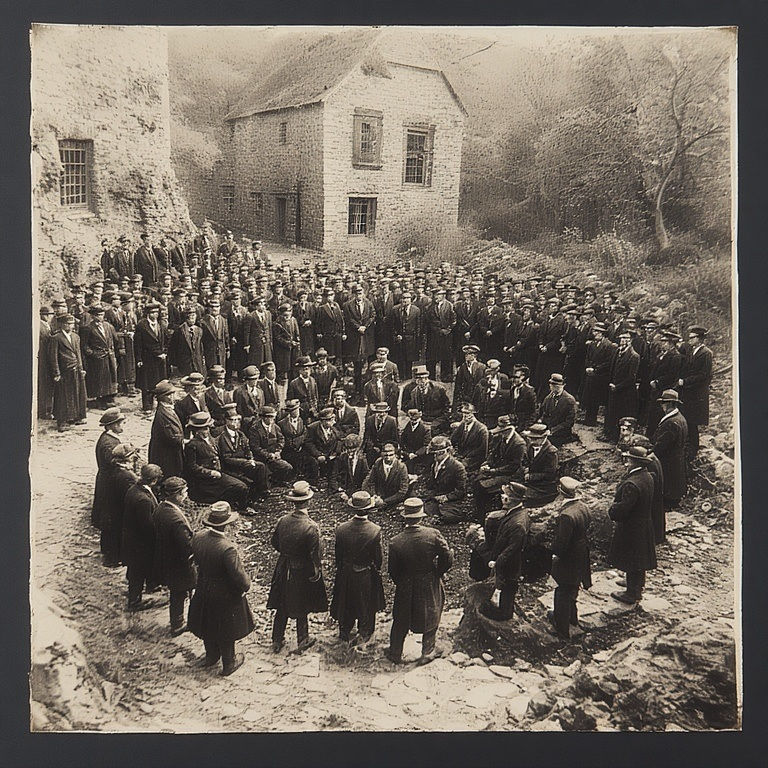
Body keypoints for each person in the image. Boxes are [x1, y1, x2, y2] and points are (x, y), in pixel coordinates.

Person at [188, 501, 255, 676]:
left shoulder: (198, 537)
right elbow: (238, 576)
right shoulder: (227, 548)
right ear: (226, 524)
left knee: (207, 621)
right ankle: (229, 663)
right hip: (224, 593)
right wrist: (247, 584)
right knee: (226, 627)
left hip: (203, 586)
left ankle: (211, 656)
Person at [385, 497, 454, 665]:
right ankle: (427, 651)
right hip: (429, 580)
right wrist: (439, 571)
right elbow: (447, 556)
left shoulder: (396, 542)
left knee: (401, 617)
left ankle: (395, 652)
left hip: (406, 584)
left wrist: (402, 581)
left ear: (405, 517)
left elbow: (392, 570)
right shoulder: (433, 535)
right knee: (432, 613)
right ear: (421, 517)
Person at [267, 481, 328, 653]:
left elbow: (275, 543)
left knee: (281, 604)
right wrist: (316, 571)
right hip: (301, 570)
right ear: (308, 502)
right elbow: (315, 554)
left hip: (283, 566)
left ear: (293, 501)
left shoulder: (282, 521)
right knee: (301, 604)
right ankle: (302, 639)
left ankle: (277, 640)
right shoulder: (311, 527)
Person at [330, 491, 386, 645]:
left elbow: (338, 555)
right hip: (365, 573)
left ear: (353, 509)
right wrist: (376, 569)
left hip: (345, 572)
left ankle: (344, 631)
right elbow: (378, 558)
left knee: (345, 601)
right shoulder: (375, 530)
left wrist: (342, 567)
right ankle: (364, 633)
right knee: (366, 604)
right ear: (369, 510)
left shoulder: (341, 529)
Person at [608, 446, 657, 605]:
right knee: (639, 559)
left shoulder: (632, 484)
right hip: (644, 524)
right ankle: (635, 584)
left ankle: (631, 593)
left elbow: (623, 509)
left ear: (636, 463)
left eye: (628, 460)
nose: (626, 463)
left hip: (632, 527)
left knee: (631, 558)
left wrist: (612, 510)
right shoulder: (647, 476)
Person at [548, 476, 592, 639]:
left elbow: (561, 544)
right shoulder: (582, 507)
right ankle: (572, 619)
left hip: (568, 557)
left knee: (562, 592)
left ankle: (561, 629)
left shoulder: (566, 515)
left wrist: (554, 555)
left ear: (561, 492)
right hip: (581, 553)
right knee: (573, 587)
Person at [153, 476, 196, 636]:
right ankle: (178, 624)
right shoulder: (176, 519)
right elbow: (186, 546)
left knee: (177, 592)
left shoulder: (162, 508)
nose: (186, 495)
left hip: (168, 557)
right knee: (181, 592)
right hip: (180, 563)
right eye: (184, 492)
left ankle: (177, 621)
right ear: (176, 494)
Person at [479, 485, 531, 621]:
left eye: (505, 496)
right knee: (508, 585)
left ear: (510, 500)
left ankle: (504, 614)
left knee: (508, 585)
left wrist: (496, 562)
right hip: (510, 559)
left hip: (510, 562)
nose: (502, 498)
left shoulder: (517, 523)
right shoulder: (517, 512)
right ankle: (505, 608)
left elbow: (512, 549)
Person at [183, 411, 250, 510]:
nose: (207, 431)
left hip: (219, 472)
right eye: (204, 429)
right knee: (240, 487)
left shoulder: (210, 438)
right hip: (206, 480)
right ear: (196, 430)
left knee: (245, 482)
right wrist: (210, 472)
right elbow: (192, 467)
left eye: (208, 428)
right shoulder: (192, 445)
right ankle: (240, 508)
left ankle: (236, 504)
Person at [122, 463, 162, 611]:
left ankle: (143, 588)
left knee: (135, 569)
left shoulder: (134, 489)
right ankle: (134, 602)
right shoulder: (143, 499)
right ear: (153, 480)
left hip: (131, 538)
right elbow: (147, 525)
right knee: (138, 570)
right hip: (139, 543)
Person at [473, 415, 526, 520]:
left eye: (502, 431)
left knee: (481, 487)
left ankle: (483, 516)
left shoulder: (518, 444)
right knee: (476, 480)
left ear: (509, 430)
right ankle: (482, 511)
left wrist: (493, 471)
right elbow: (494, 454)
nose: (500, 433)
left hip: (511, 476)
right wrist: (487, 464)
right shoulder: (502, 438)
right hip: (499, 471)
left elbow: (514, 467)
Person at [217, 404, 269, 505]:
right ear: (226, 421)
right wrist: (245, 462)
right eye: (232, 420)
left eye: (237, 420)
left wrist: (251, 459)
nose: (235, 423)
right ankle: (246, 502)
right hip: (230, 468)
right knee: (247, 481)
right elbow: (226, 458)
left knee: (260, 467)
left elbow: (247, 449)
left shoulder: (240, 434)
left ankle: (262, 493)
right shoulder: (222, 436)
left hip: (244, 464)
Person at [102, 442, 140, 568]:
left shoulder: (115, 470)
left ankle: (111, 557)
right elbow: (130, 495)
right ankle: (114, 559)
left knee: (112, 532)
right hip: (119, 510)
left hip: (111, 507)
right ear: (127, 459)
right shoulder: (126, 475)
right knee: (117, 533)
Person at [48, 313, 88, 431]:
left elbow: (78, 354)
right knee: (63, 396)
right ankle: (62, 421)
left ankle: (76, 416)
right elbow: (53, 357)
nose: (70, 326)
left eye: (71, 323)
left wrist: (81, 368)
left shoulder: (75, 337)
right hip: (64, 371)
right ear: (61, 324)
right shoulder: (56, 338)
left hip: (76, 369)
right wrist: (56, 373)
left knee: (77, 394)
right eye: (67, 323)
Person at [678, 326, 713, 456]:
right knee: (687, 418)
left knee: (693, 421)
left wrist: (685, 381)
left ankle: (693, 449)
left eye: (692, 337)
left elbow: (704, 375)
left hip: (697, 393)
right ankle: (688, 447)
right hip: (689, 392)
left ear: (699, 339)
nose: (689, 340)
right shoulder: (692, 351)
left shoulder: (706, 353)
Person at [651, 389, 689, 510]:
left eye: (663, 403)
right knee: (674, 481)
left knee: (668, 483)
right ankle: (673, 502)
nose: (662, 406)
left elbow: (662, 444)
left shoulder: (671, 422)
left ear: (669, 404)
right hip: (676, 457)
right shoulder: (680, 418)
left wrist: (651, 453)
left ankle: (668, 504)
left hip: (668, 459)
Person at [507, 423, 560, 508]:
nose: (531, 441)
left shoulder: (551, 452)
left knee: (522, 498)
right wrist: (526, 468)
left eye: (535, 439)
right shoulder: (531, 446)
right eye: (530, 438)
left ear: (544, 437)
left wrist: (531, 476)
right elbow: (525, 461)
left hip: (543, 485)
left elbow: (550, 474)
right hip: (529, 480)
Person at [91, 407, 125, 532]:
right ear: (112, 426)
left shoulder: (111, 437)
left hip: (107, 475)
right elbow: (112, 461)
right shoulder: (108, 443)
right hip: (109, 477)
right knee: (108, 502)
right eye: (120, 423)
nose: (122, 426)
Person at [423, 436, 468, 524]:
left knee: (448, 515)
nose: (435, 456)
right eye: (434, 454)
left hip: (452, 501)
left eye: (438, 453)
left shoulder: (457, 467)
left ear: (447, 452)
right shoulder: (435, 464)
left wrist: (445, 497)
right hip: (436, 496)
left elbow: (460, 491)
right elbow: (432, 484)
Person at [604, 331, 640, 441]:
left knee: (621, 414)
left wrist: (618, 386)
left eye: (626, 338)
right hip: (613, 388)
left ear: (630, 341)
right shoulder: (617, 352)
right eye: (621, 338)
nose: (623, 341)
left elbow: (631, 378)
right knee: (611, 412)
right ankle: (609, 434)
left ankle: (617, 437)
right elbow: (612, 369)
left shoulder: (634, 356)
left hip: (624, 391)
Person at [134, 301, 169, 412]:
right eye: (153, 313)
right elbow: (138, 344)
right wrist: (139, 358)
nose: (155, 315)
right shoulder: (142, 325)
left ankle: (159, 403)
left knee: (159, 382)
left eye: (157, 312)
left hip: (160, 358)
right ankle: (147, 406)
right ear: (148, 313)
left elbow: (164, 340)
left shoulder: (160, 325)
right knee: (147, 384)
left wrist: (164, 352)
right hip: (147, 358)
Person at [342, 284, 376, 392]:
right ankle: (357, 388)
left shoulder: (369, 303)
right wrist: (358, 327)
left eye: (360, 292)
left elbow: (373, 315)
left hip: (366, 336)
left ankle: (368, 387)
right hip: (355, 337)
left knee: (368, 361)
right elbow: (349, 318)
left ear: (364, 293)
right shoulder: (347, 305)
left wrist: (365, 326)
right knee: (357, 364)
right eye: (356, 292)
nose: (359, 294)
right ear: (353, 294)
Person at [147, 380, 184, 477]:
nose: (174, 396)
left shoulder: (167, 409)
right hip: (165, 454)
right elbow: (172, 437)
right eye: (172, 394)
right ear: (167, 397)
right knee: (169, 474)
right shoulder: (163, 414)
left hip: (168, 451)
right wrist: (184, 440)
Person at [249, 405, 294, 484]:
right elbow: (255, 447)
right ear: (264, 418)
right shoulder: (255, 429)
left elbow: (281, 439)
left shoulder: (275, 427)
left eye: (273, 417)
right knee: (264, 475)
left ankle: (277, 480)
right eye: (270, 417)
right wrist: (268, 455)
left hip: (274, 457)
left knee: (288, 467)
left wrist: (278, 451)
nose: (272, 419)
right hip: (261, 458)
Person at [581, 323, 615, 426]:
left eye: (597, 332)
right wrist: (588, 367)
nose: (594, 334)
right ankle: (588, 418)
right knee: (589, 396)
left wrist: (595, 369)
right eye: (594, 331)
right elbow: (587, 357)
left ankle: (592, 419)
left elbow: (608, 362)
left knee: (595, 398)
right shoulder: (592, 344)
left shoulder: (609, 345)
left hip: (600, 376)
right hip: (590, 374)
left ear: (602, 333)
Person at [402, 365, 451, 435]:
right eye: (419, 379)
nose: (422, 382)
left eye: (424, 379)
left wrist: (440, 420)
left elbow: (447, 408)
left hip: (437, 419)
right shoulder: (414, 392)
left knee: (431, 431)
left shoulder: (439, 389)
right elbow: (406, 407)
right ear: (416, 381)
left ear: (427, 379)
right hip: (422, 419)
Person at [362, 442, 410, 511]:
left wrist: (385, 501)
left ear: (395, 455)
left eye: (391, 455)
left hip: (393, 500)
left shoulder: (401, 467)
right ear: (381, 454)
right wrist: (374, 495)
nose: (388, 458)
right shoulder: (378, 463)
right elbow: (370, 481)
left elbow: (403, 491)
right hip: (378, 497)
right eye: (385, 455)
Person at [425, 288, 456, 383]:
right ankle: (431, 377)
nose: (436, 297)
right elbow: (428, 322)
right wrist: (437, 330)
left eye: (438, 295)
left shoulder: (450, 306)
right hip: (434, 336)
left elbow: (454, 320)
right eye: (434, 295)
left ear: (443, 296)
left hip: (447, 336)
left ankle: (446, 376)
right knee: (432, 357)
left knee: (446, 356)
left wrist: (448, 330)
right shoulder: (429, 307)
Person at [303, 407, 341, 486]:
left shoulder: (333, 427)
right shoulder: (312, 428)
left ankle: (333, 481)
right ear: (323, 421)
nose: (333, 422)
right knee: (313, 463)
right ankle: (313, 482)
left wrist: (335, 452)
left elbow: (339, 440)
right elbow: (308, 443)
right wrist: (318, 454)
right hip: (316, 453)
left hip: (329, 453)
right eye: (331, 420)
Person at [538, 373, 577, 447]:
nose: (553, 388)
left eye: (557, 386)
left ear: (562, 386)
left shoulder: (569, 400)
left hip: (561, 433)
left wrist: (552, 430)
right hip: (547, 429)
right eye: (552, 386)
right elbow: (542, 413)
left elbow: (569, 422)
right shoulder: (548, 398)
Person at [450, 402, 489, 475]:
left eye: (468, 414)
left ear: (473, 414)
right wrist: (452, 449)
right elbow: (453, 439)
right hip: (461, 454)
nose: (465, 416)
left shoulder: (482, 429)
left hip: (474, 458)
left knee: (455, 469)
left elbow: (483, 450)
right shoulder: (463, 424)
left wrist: (466, 457)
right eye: (464, 414)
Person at [390, 291, 422, 379]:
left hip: (411, 339)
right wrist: (396, 336)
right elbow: (392, 326)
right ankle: (401, 377)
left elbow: (418, 327)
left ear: (411, 300)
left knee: (409, 360)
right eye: (403, 298)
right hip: (399, 339)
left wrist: (417, 342)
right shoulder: (395, 310)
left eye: (407, 298)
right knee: (400, 359)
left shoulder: (416, 310)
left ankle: (408, 378)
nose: (405, 300)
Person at [168, 307, 205, 376]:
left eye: (194, 316)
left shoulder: (199, 330)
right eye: (189, 317)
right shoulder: (179, 331)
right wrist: (174, 364)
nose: (192, 319)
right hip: (184, 364)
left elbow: (200, 347)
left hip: (197, 363)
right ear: (185, 318)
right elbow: (172, 348)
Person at [333, 435, 370, 501]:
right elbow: (335, 474)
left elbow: (366, 477)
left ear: (358, 448)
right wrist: (340, 489)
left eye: (352, 449)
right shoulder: (342, 457)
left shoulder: (362, 459)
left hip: (358, 490)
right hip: (344, 489)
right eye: (347, 448)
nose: (349, 451)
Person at [362, 401, 399, 467]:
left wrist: (382, 448)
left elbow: (394, 440)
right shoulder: (370, 420)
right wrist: (372, 447)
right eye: (379, 412)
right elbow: (367, 436)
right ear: (375, 412)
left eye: (384, 412)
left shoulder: (392, 421)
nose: (381, 414)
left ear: (387, 412)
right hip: (372, 450)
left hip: (385, 450)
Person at [272, 303, 301, 383]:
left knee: (293, 365)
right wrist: (288, 343)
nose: (287, 317)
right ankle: (280, 380)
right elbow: (277, 338)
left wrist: (297, 341)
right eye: (285, 315)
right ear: (281, 314)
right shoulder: (277, 323)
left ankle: (292, 380)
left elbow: (296, 332)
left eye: (289, 313)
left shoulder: (293, 320)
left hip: (293, 348)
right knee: (282, 366)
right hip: (282, 349)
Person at [286, 356, 320, 423]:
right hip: (301, 414)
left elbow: (316, 396)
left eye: (308, 369)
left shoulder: (313, 380)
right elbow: (289, 400)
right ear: (300, 370)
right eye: (304, 369)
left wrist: (315, 408)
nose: (306, 371)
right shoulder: (294, 383)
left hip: (313, 413)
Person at [278, 399, 307, 475]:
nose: (297, 412)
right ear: (289, 412)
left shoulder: (302, 421)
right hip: (288, 450)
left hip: (301, 448)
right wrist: (292, 444)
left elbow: (305, 434)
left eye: (297, 410)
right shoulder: (281, 423)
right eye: (293, 410)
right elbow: (281, 438)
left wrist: (299, 443)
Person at [453, 344, 486, 411]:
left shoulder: (482, 367)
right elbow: (458, 385)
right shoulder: (462, 368)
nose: (466, 356)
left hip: (479, 397)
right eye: (466, 354)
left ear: (474, 356)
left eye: (469, 354)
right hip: (466, 397)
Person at [399, 407, 432, 475]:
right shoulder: (407, 426)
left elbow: (426, 445)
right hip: (408, 452)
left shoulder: (425, 429)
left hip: (419, 454)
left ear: (419, 418)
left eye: (415, 420)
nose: (413, 421)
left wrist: (416, 454)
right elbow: (402, 441)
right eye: (411, 419)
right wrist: (407, 452)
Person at [175, 373, 209, 437]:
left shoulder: (202, 400)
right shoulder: (182, 404)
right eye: (196, 388)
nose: (199, 390)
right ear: (190, 388)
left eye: (200, 386)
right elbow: (181, 423)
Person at [233, 365, 264, 432]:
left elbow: (262, 407)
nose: (255, 381)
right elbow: (238, 410)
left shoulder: (260, 391)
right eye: (253, 379)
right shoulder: (239, 392)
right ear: (246, 380)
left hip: (259, 424)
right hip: (246, 425)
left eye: (256, 378)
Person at [37, 305, 55, 419]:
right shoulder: (39, 326)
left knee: (48, 385)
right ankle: (42, 411)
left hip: (48, 359)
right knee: (43, 385)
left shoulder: (48, 326)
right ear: (44, 315)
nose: (50, 317)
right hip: (42, 359)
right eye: (49, 315)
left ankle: (48, 409)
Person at [509, 365, 537, 432]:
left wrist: (527, 427)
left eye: (517, 377)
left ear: (523, 377)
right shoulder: (513, 390)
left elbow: (533, 412)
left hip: (523, 426)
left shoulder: (529, 392)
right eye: (514, 377)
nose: (514, 380)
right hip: (512, 424)